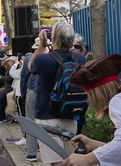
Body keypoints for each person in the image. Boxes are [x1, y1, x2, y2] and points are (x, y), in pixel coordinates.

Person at [29, 24, 86, 165]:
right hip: (71, 114)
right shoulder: (80, 59)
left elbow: (30, 66)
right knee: (69, 160)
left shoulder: (43, 60)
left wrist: (42, 45)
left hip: (47, 116)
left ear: (53, 38)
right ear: (72, 40)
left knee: (55, 162)